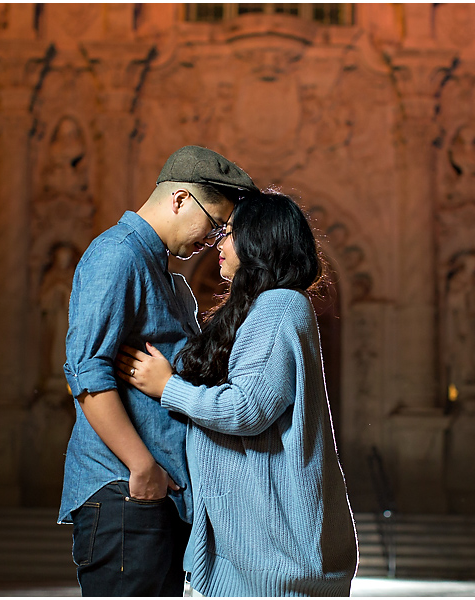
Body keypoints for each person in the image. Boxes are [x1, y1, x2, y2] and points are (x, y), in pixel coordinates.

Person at [116, 191, 359, 596]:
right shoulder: (267, 306)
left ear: (258, 240)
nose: (219, 245)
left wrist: (167, 388)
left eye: (229, 233)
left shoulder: (280, 306)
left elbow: (247, 407)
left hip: (275, 560)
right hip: (255, 553)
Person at [58, 146, 258, 596]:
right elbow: (87, 373)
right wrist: (141, 464)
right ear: (181, 199)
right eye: (214, 224)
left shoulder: (170, 279)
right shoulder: (117, 254)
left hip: (159, 495)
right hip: (126, 491)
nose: (212, 241)